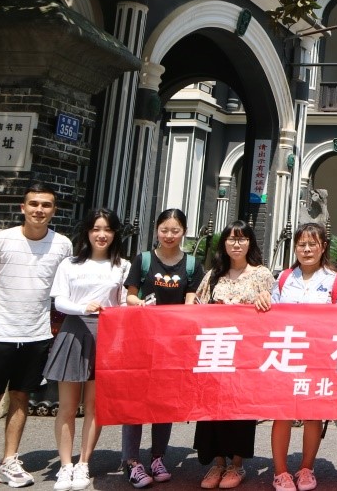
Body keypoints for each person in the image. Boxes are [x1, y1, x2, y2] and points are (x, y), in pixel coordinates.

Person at [0, 183, 72, 491]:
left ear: (54, 210)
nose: (39, 210)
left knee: (20, 398)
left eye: (46, 205)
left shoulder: (63, 245)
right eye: (34, 204)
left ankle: (8, 461)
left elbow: (63, 287)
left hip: (36, 335)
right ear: (23, 207)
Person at [45, 208, 129, 491]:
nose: (101, 235)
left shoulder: (122, 266)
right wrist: (83, 307)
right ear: (87, 232)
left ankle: (83, 463)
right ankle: (65, 465)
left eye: (107, 229)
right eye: (95, 229)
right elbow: (59, 301)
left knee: (94, 406)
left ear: (115, 233)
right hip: (74, 330)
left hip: (106, 334)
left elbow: (123, 303)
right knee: (67, 407)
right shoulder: (70, 264)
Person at [122, 208, 202, 487]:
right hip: (141, 341)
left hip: (173, 345)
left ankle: (158, 457)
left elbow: (190, 299)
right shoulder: (143, 260)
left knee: (163, 402)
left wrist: (190, 310)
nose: (169, 235)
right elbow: (131, 296)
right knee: (136, 402)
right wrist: (142, 304)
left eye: (175, 230)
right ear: (156, 230)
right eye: (164, 230)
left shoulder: (192, 265)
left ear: (184, 232)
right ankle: (131, 461)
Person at [191, 221, 274, 490]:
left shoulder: (262, 275)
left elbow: (275, 309)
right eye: (231, 239)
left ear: (250, 243)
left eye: (242, 239)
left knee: (240, 409)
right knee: (212, 408)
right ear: (223, 243)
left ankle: (236, 464)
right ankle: (217, 463)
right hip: (215, 352)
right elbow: (196, 309)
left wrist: (264, 301)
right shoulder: (213, 275)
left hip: (246, 354)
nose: (236, 244)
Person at [270, 223, 337, 491]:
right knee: (282, 413)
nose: (306, 249)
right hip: (286, 354)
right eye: (301, 244)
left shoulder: (335, 281)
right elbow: (271, 316)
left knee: (313, 414)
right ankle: (280, 472)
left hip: (319, 357)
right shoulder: (283, 278)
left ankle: (306, 469)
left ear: (323, 247)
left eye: (312, 244)